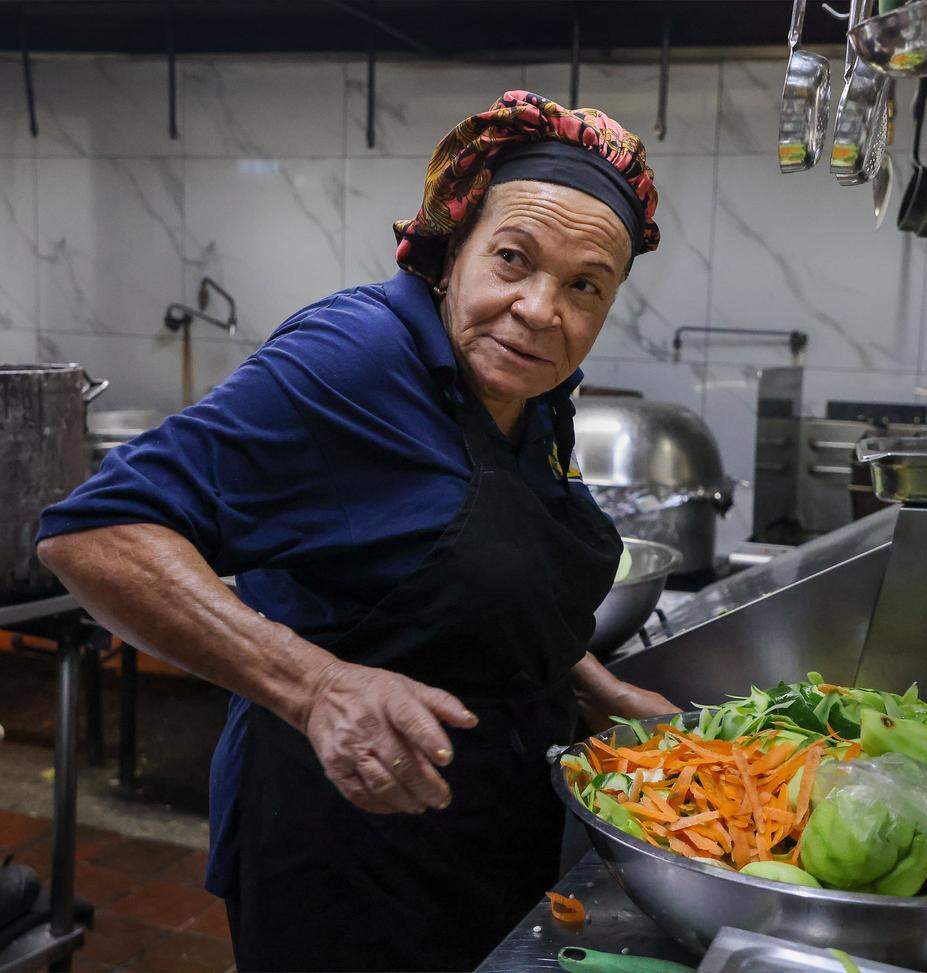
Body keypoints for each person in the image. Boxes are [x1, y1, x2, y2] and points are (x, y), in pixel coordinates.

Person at [37, 90, 677, 972]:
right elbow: (93, 530)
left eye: (583, 287)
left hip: (490, 843)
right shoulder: (355, 359)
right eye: (513, 259)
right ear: (452, 251)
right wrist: (316, 688)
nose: (539, 309)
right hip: (349, 868)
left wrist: (593, 688)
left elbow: (480, 569)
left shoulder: (534, 391)